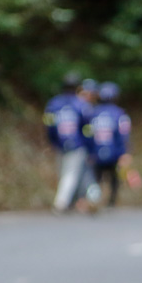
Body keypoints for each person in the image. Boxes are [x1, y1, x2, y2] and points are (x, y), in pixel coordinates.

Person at [43, 71, 94, 214]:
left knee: (64, 173)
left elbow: (49, 125)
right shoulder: (82, 105)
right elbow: (88, 128)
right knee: (70, 174)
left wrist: (52, 142)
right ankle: (61, 203)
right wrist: (89, 146)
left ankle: (68, 202)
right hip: (77, 145)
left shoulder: (53, 103)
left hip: (60, 143)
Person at [90, 82, 132, 208]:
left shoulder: (93, 113)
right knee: (114, 178)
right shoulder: (120, 114)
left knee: (96, 178)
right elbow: (124, 134)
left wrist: (89, 150)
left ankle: (94, 200)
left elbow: (88, 133)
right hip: (115, 152)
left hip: (96, 151)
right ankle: (111, 201)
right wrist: (125, 152)